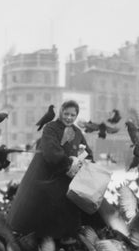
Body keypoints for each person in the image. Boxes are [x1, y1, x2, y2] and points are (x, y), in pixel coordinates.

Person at [7, 100, 99, 240]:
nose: (69, 117)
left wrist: (84, 162)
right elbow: (51, 151)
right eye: (66, 114)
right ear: (61, 112)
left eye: (72, 115)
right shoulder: (51, 128)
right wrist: (69, 163)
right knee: (45, 222)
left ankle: (69, 242)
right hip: (50, 178)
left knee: (71, 219)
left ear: (76, 116)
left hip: (70, 183)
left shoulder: (77, 132)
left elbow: (89, 154)